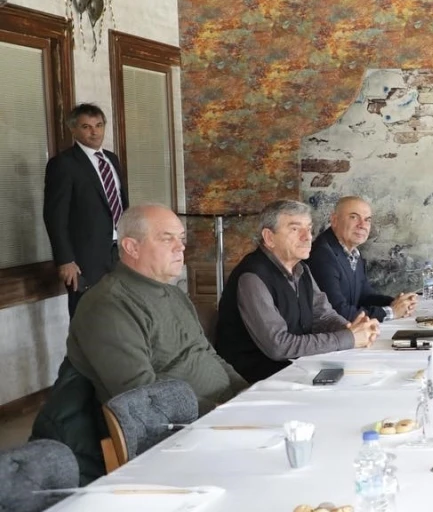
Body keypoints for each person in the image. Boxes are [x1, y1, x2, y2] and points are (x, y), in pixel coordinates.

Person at [66, 204, 247, 413]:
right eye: (167, 239)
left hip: (225, 410)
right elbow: (141, 393)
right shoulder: (108, 305)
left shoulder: (175, 294)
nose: (180, 247)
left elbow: (208, 353)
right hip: (181, 425)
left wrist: (247, 392)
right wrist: (218, 411)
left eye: (181, 238)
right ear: (132, 247)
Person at [215, 200, 379, 383]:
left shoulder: (302, 269)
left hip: (296, 368)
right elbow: (279, 346)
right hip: (256, 381)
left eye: (309, 229)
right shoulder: (252, 276)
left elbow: (323, 316)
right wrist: (347, 338)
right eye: (295, 229)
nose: (307, 237)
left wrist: (352, 329)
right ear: (269, 238)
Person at [43, 103, 129, 316]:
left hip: (119, 251)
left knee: (120, 313)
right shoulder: (63, 164)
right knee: (86, 315)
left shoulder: (112, 159)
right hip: (85, 258)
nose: (94, 132)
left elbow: (120, 202)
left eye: (99, 125)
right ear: (73, 130)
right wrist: (65, 260)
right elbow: (55, 216)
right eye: (86, 127)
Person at [306, 195, 418, 321]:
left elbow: (365, 296)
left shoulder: (353, 252)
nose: (362, 225)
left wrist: (395, 303)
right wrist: (391, 312)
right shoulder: (322, 256)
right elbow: (337, 312)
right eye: (354, 217)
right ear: (334, 219)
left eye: (367, 220)